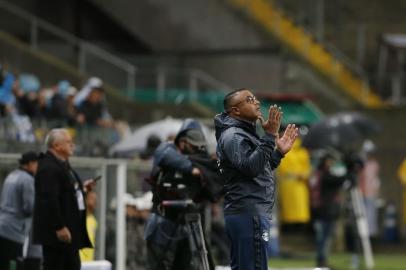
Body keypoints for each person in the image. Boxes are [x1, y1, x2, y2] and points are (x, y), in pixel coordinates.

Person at [214, 88, 298, 270]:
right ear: (235, 110)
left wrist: (278, 153)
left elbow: (257, 169)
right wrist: (269, 137)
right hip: (248, 212)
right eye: (250, 99)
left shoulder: (242, 133)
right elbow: (250, 168)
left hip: (248, 212)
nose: (257, 102)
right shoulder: (234, 135)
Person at [144, 118, 215, 270]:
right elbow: (164, 155)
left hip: (189, 222)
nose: (196, 150)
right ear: (182, 142)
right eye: (192, 146)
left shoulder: (200, 159)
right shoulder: (167, 150)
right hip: (162, 220)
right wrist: (192, 169)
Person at [32, 128, 95, 270]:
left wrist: (83, 189)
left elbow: (65, 193)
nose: (72, 145)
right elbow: (48, 199)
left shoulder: (62, 164)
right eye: (68, 142)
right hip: (58, 236)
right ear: (57, 146)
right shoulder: (48, 166)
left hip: (69, 233)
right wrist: (59, 227)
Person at [0, 151, 39, 270]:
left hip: (2, 226)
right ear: (31, 163)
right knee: (13, 265)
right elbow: (29, 207)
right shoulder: (28, 179)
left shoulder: (12, 175)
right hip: (14, 231)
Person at [309, 153, 348, 268]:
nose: (331, 163)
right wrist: (348, 171)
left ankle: (322, 260)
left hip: (319, 209)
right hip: (325, 210)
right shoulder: (325, 176)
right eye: (329, 161)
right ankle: (322, 261)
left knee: (322, 237)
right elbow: (338, 181)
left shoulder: (317, 174)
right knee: (324, 237)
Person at [80, 190, 98, 262]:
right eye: (91, 198)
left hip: (89, 260)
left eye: (95, 200)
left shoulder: (94, 221)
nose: (94, 201)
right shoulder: (79, 218)